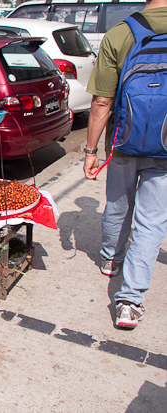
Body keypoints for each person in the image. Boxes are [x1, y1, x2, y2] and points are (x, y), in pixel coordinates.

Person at [83, 0, 167, 329]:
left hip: (122, 143)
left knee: (118, 206)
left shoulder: (120, 34)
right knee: (151, 223)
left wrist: (91, 151)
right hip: (165, 147)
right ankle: (130, 302)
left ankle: (110, 260)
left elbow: (102, 101)